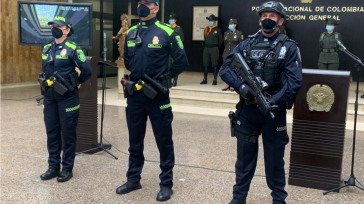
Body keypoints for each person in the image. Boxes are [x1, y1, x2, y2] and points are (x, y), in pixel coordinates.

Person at [219, 1, 302, 204]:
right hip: (248, 111)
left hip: (273, 111)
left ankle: (278, 200)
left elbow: (295, 81)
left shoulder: (288, 47)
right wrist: (241, 87)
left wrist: (274, 100)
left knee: (274, 160)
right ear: (259, 20)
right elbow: (225, 69)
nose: (267, 19)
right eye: (264, 15)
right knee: (244, 159)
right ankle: (238, 199)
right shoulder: (246, 44)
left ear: (281, 21)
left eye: (272, 16)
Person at [117, 0, 189, 202]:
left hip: (157, 94)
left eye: (147, 3)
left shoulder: (168, 31)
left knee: (164, 140)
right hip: (135, 95)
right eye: (140, 2)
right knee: (134, 139)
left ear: (156, 8)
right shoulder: (131, 32)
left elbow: (182, 61)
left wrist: (164, 78)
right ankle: (133, 179)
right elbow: (129, 61)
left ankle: (166, 184)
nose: (142, 6)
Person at [39, 16, 92, 182]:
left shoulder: (73, 49)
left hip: (67, 97)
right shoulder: (46, 48)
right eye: (53, 25)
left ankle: (67, 168)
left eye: (58, 26)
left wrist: (73, 84)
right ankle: (53, 167)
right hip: (50, 97)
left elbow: (87, 72)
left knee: (68, 134)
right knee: (52, 133)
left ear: (67, 30)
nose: (54, 28)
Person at [222, 18, 243, 91]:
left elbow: (241, 44)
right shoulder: (226, 33)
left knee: (233, 69)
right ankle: (227, 84)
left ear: (235, 25)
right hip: (226, 53)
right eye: (229, 24)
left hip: (234, 54)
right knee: (226, 69)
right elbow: (225, 43)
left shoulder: (239, 34)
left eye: (231, 24)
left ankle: (233, 84)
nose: (230, 25)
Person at [201, 14, 222, 85]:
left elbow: (220, 41)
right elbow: (205, 38)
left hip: (214, 48)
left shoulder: (217, 29)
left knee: (214, 64)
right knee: (205, 64)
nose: (210, 22)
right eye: (210, 20)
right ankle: (205, 79)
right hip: (206, 48)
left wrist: (216, 46)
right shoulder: (206, 29)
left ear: (215, 21)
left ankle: (215, 79)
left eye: (212, 20)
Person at [167, 12, 185, 87]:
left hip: (174, 50)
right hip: (168, 49)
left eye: (172, 19)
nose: (171, 20)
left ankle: (175, 80)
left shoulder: (178, 29)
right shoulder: (167, 27)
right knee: (168, 65)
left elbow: (182, 39)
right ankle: (169, 80)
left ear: (175, 20)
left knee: (174, 65)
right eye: (170, 19)